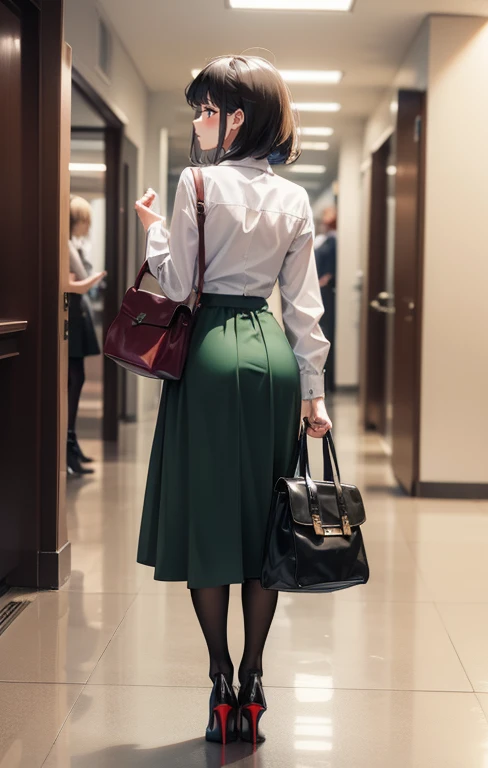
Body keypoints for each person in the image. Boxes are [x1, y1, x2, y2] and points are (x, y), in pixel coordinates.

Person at [134, 55, 331, 746]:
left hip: (210, 352)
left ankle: (219, 679)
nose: (198, 121)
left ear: (235, 117)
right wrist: (314, 395)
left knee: (211, 520)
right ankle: (254, 678)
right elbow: (305, 308)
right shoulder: (295, 200)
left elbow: (180, 279)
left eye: (206, 109)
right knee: (267, 521)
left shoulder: (196, 184)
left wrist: (152, 229)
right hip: (272, 354)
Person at [67, 197, 106, 476]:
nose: (88, 226)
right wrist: (97, 277)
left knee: (77, 378)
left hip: (79, 319)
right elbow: (79, 281)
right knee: (75, 379)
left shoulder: (73, 244)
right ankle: (69, 444)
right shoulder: (67, 245)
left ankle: (71, 443)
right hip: (75, 319)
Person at [314, 206, 337, 392]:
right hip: (319, 292)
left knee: (325, 334)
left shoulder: (333, 241)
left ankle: (327, 383)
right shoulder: (324, 240)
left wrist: (322, 282)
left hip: (325, 294)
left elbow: (330, 270)